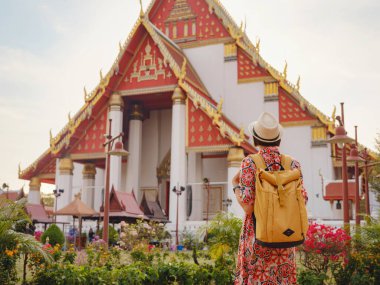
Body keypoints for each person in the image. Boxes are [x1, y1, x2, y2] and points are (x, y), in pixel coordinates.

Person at [233, 112, 308, 285]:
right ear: (278, 140)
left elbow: (248, 206)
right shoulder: (293, 164)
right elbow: (302, 200)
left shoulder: (250, 163)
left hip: (258, 236)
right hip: (286, 236)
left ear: (255, 139)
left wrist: (235, 185)